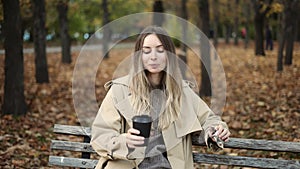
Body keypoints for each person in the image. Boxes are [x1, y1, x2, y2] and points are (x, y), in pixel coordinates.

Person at [91, 26, 230, 169]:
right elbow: (100, 136)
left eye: (160, 50)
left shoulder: (182, 92)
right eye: (146, 51)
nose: (153, 56)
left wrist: (216, 130)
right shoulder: (119, 89)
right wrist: (124, 142)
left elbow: (209, 119)